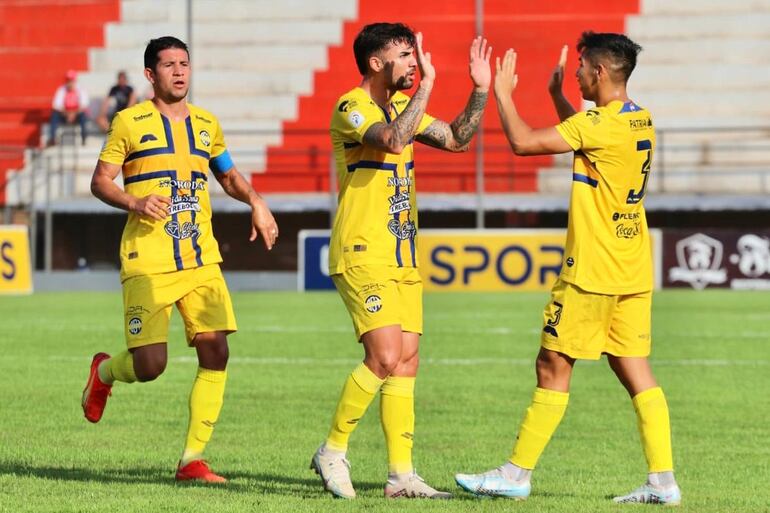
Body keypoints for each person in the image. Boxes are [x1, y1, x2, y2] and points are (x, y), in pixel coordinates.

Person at [454, 32, 681, 505]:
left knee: (552, 365)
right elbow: (589, 137)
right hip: (632, 268)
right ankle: (663, 481)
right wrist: (559, 96)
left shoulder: (598, 125)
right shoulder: (639, 118)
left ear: (598, 72)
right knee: (635, 368)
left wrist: (501, 93)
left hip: (591, 272)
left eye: (580, 66)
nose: (575, 72)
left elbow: (521, 142)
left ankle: (516, 474)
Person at [81, 36, 279, 484]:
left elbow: (227, 174)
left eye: (184, 63)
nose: (179, 71)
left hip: (199, 257)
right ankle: (105, 371)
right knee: (150, 366)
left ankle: (192, 459)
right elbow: (100, 181)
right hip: (147, 257)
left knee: (216, 350)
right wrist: (135, 202)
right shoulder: (128, 122)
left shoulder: (207, 124)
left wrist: (257, 201)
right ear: (151, 74)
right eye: (168, 65)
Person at [311, 23, 491, 500]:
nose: (415, 63)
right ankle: (332, 451)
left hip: (403, 255)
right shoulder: (352, 107)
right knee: (384, 356)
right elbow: (392, 139)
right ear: (376, 62)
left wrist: (480, 90)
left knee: (406, 363)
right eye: (405, 55)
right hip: (362, 251)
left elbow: (455, 138)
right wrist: (428, 85)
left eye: (416, 56)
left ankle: (401, 476)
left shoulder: (400, 109)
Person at [48, 69, 89, 146]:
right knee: (54, 115)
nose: (69, 83)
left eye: (71, 80)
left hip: (77, 115)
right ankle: (52, 139)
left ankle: (84, 138)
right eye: (68, 80)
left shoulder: (81, 89)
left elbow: (83, 105)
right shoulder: (61, 89)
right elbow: (56, 105)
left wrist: (73, 114)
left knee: (83, 116)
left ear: (75, 81)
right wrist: (68, 114)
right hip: (65, 115)